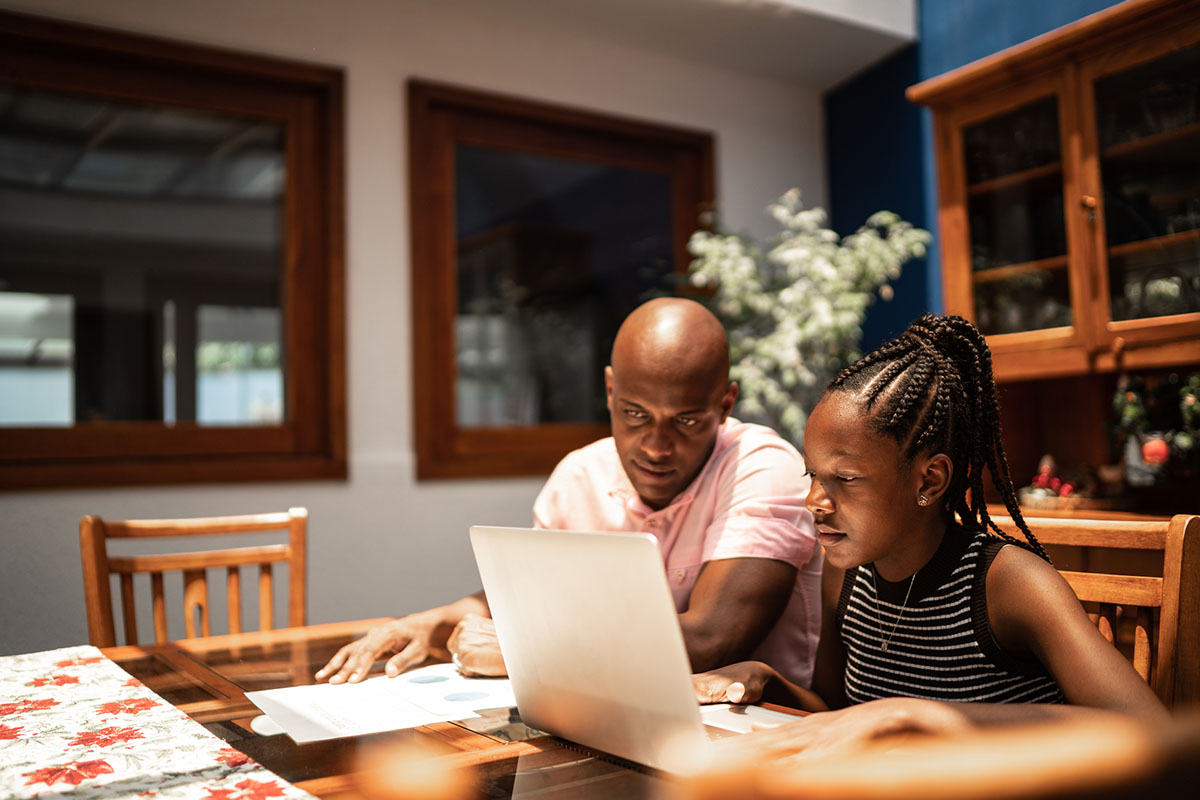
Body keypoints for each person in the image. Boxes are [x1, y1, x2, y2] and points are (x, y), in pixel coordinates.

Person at [692, 314, 1168, 751]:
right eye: (811, 474)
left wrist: (915, 716)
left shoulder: (1007, 585)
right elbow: (835, 713)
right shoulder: (847, 575)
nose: (814, 500)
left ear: (929, 481)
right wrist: (765, 678)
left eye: (846, 478)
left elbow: (1147, 731)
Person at [317, 297, 822, 687]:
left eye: (686, 420)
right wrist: (429, 623)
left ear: (726, 404)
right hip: (620, 712)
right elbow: (526, 600)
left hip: (764, 735)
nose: (655, 446)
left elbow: (713, 640)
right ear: (610, 390)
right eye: (634, 414)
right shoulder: (581, 475)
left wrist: (524, 652)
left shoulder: (764, 467)